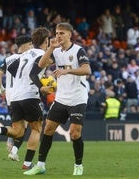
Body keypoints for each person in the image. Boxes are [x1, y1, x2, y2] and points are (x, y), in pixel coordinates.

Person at [23, 22, 91, 176]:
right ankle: (40, 165)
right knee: (48, 129)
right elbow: (41, 64)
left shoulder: (78, 50)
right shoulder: (56, 51)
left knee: (74, 133)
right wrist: (51, 48)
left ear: (69, 34)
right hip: (61, 98)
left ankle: (78, 165)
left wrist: (67, 71)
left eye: (61, 33)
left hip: (78, 97)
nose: (58, 36)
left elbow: (87, 69)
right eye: (56, 33)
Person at [0, 28, 52, 170]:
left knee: (19, 131)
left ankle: (0, 130)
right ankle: (27, 163)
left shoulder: (16, 57)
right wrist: (44, 82)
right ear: (46, 41)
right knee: (36, 129)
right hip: (30, 95)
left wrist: (2, 89)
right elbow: (37, 71)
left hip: (14, 97)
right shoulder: (42, 54)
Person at [0, 35, 33, 162]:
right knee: (24, 127)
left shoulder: (8, 59)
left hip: (10, 97)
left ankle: (13, 149)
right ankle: (12, 145)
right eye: (31, 44)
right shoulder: (28, 58)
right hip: (23, 95)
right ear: (26, 44)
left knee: (19, 125)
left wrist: (1, 89)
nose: (32, 47)